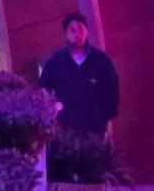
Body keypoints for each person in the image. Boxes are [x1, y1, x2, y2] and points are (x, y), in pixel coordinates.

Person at [37, 11, 119, 160]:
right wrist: (53, 112)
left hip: (94, 129)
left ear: (87, 32)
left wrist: (105, 119)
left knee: (93, 170)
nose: (77, 34)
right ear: (66, 34)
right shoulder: (55, 61)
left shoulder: (101, 61)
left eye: (81, 29)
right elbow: (43, 88)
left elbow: (111, 92)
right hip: (65, 129)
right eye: (72, 30)